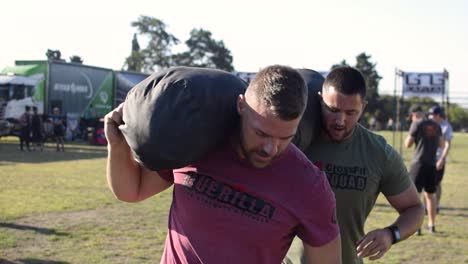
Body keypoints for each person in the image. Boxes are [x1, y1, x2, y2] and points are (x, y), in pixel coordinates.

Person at [105, 65, 341, 263]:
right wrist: (117, 146)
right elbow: (131, 191)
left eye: (285, 138)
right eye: (261, 133)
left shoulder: (309, 185)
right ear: (241, 106)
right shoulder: (196, 140)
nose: (270, 148)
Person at [284, 66, 424, 264]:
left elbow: (415, 209)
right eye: (332, 110)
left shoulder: (378, 153)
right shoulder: (293, 142)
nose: (340, 121)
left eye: (351, 112)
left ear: (363, 107)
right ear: (319, 100)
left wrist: (391, 234)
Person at [405, 105, 443, 234]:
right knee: (431, 195)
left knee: (415, 196)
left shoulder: (417, 124)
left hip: (418, 164)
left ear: (414, 115)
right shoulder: (436, 125)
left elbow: (408, 144)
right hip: (431, 164)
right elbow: (441, 144)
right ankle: (431, 225)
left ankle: (417, 227)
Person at [427, 105, 453, 213]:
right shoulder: (429, 125)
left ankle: (436, 205)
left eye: (432, 115)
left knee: (436, 183)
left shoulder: (446, 127)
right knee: (427, 184)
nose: (430, 117)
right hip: (428, 159)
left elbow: (447, 144)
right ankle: (427, 206)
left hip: (438, 159)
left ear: (438, 115)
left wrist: (442, 159)